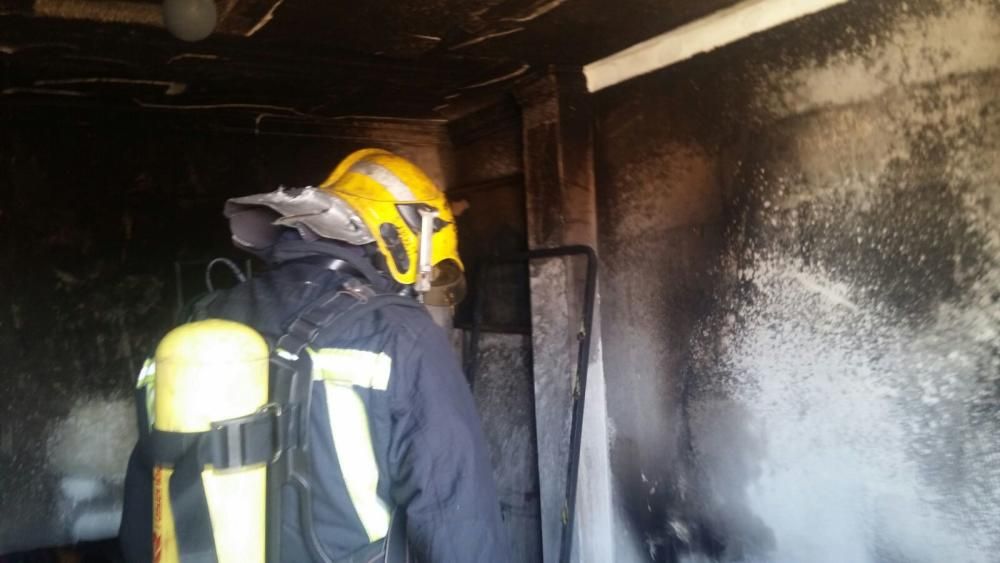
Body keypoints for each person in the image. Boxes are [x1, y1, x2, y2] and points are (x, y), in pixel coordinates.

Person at [120, 149, 510, 563]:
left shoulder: (196, 324)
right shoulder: (400, 333)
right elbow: (458, 518)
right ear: (411, 245)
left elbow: (147, 505)